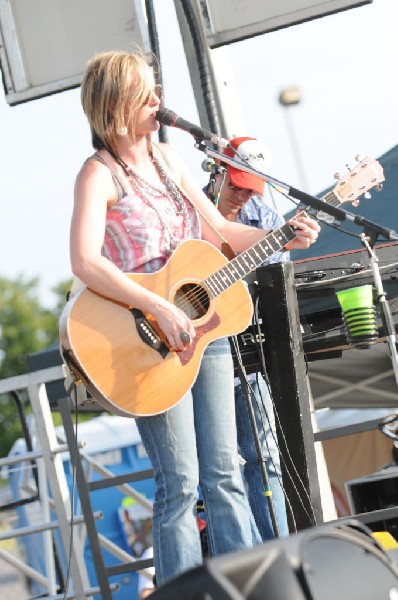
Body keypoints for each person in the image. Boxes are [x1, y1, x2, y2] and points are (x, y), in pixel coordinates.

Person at [69, 48, 320, 586]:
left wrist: (284, 237)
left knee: (225, 472)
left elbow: (222, 236)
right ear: (116, 104)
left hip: (202, 335)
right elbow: (84, 260)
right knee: (180, 485)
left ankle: (252, 586)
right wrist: (158, 304)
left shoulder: (171, 160)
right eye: (146, 93)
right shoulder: (97, 174)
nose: (159, 102)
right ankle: (183, 594)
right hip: (140, 341)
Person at [204, 137, 290, 540]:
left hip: (245, 354)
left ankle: (276, 554)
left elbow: (273, 289)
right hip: (194, 356)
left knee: (265, 457)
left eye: (250, 188)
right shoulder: (187, 209)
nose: (241, 195)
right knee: (218, 471)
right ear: (217, 171)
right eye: (236, 183)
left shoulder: (269, 221)